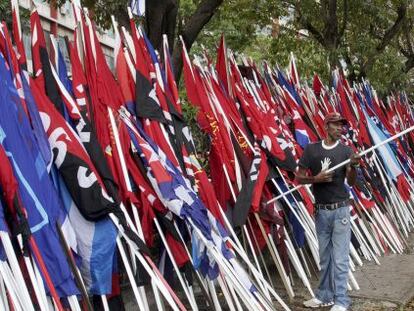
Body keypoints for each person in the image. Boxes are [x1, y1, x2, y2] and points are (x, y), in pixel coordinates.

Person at [296, 112, 361, 311]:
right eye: (336, 125)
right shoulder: (312, 149)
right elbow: (299, 177)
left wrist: (353, 167)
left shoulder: (345, 151)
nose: (340, 128)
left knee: (340, 258)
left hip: (340, 210)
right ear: (326, 126)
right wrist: (316, 179)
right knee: (325, 257)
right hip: (321, 212)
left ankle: (342, 301)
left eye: (342, 125)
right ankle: (325, 295)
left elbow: (350, 182)